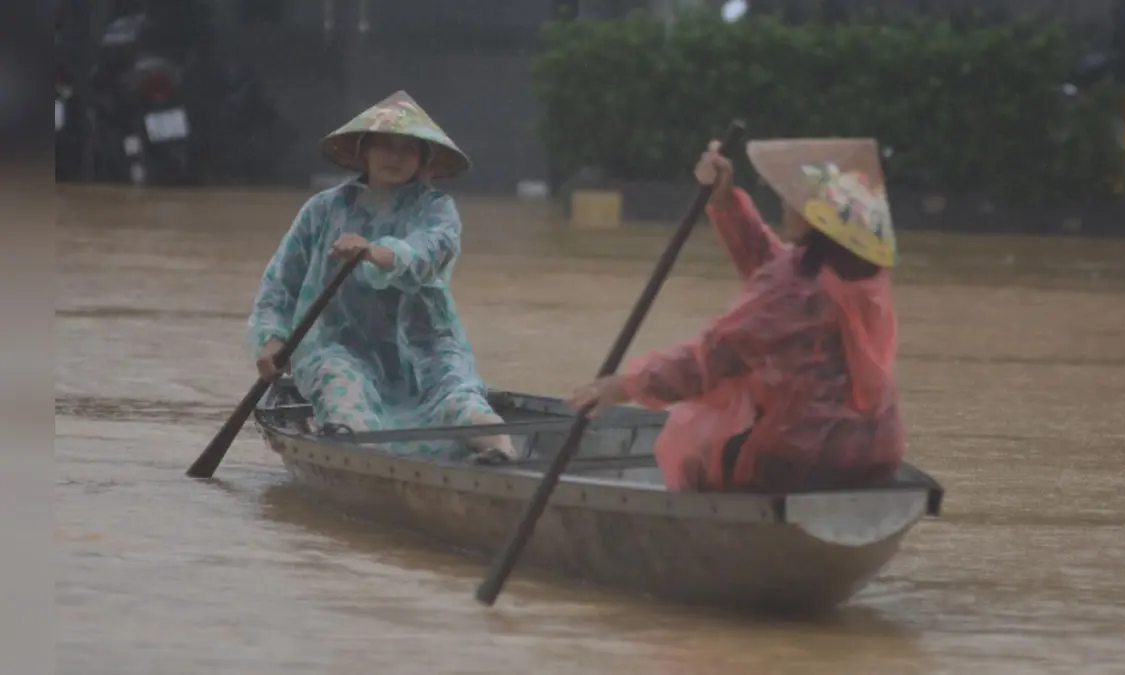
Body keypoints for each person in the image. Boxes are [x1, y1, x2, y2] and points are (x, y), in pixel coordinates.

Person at [568, 138, 903, 492]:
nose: (786, 206)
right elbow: (774, 271)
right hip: (878, 451)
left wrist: (625, 385)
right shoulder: (864, 275)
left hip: (803, 459)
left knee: (699, 450)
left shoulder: (794, 287)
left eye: (796, 200)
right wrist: (725, 202)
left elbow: (709, 359)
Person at [248, 90, 517, 462]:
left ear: (422, 159)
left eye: (407, 148)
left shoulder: (436, 208)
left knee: (463, 404)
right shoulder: (324, 210)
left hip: (424, 347)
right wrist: (271, 339)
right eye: (384, 146)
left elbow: (428, 252)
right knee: (345, 397)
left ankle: (503, 458)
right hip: (337, 346)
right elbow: (282, 283)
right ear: (365, 152)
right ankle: (366, 462)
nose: (394, 156)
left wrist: (373, 252)